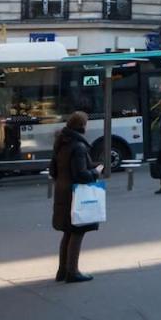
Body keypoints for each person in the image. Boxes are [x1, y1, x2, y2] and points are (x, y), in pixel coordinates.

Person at [50, 111, 103, 283]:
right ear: (82, 126)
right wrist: (95, 171)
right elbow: (81, 174)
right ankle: (72, 271)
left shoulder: (61, 143)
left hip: (62, 191)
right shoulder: (78, 146)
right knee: (78, 231)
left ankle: (62, 271)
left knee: (68, 231)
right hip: (75, 193)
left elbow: (54, 170)